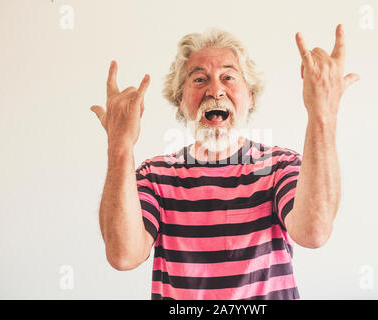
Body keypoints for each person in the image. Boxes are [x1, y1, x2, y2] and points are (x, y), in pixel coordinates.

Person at [91, 25, 359, 300]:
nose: (215, 90)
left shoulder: (281, 166)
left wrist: (322, 115)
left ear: (250, 96)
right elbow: (123, 255)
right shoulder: (153, 176)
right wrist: (119, 146)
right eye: (199, 80)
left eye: (228, 77)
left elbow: (314, 233)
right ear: (180, 101)